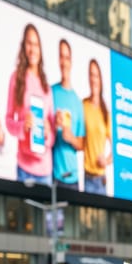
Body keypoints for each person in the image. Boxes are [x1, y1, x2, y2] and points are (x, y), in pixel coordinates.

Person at [0, 23, 55, 184]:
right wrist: (23, 126)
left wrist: (47, 132)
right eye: (29, 44)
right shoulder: (16, 78)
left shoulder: (47, 87)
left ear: (40, 48)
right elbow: (9, 121)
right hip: (24, 168)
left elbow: (52, 137)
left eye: (36, 44)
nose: (32, 49)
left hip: (45, 171)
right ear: (24, 47)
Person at [51, 39, 84, 189]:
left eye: (67, 57)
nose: (64, 62)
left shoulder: (77, 101)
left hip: (73, 178)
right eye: (61, 57)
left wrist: (70, 137)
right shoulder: (51, 92)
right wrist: (54, 125)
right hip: (54, 175)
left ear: (71, 61)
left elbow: (82, 144)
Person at [82, 59, 111, 195]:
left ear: (100, 79)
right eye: (91, 75)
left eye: (96, 75)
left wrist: (106, 160)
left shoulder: (105, 113)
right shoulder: (83, 105)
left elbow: (115, 148)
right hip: (86, 177)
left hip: (101, 179)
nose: (93, 79)